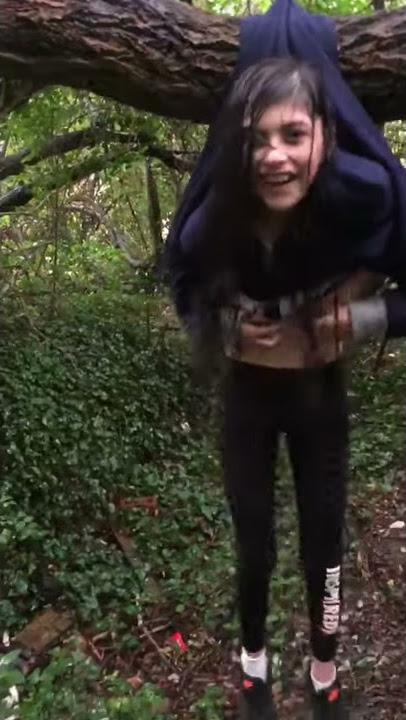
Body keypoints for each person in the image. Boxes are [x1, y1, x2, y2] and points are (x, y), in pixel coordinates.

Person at [165, 49, 405, 720]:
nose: (274, 156)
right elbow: (181, 278)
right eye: (256, 140)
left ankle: (324, 673)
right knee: (254, 542)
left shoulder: (355, 208)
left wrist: (362, 316)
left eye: (292, 135)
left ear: (323, 136)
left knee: (323, 540)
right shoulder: (215, 220)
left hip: (318, 395)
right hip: (246, 395)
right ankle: (253, 669)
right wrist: (218, 330)